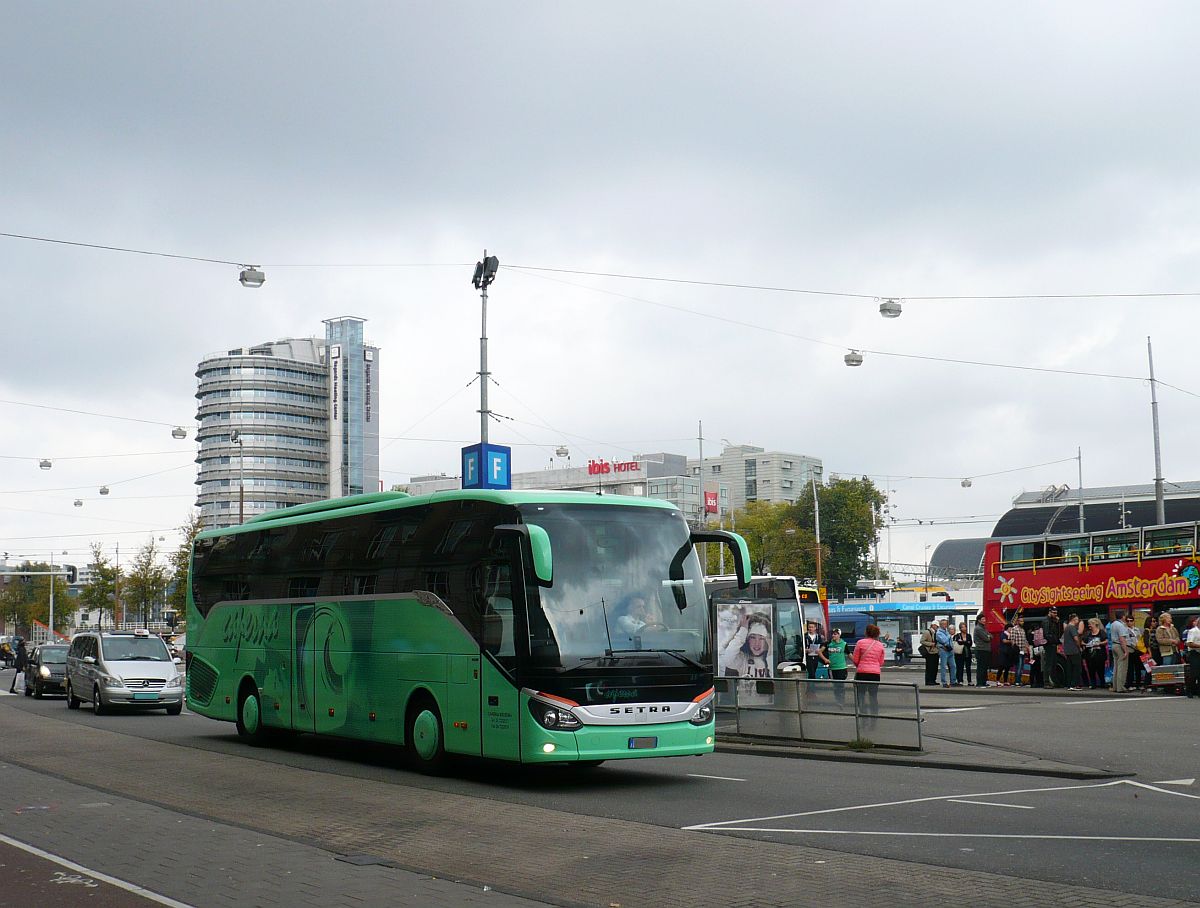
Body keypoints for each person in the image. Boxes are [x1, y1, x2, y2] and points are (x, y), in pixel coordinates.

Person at [720, 611, 772, 679]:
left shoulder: (770, 658)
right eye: (753, 637)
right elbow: (727, 660)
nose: (757, 643)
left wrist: (771, 649)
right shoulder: (743, 658)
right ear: (747, 639)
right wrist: (742, 631)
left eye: (761, 638)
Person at [851, 623, 886, 712]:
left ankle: (863, 714)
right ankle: (874, 715)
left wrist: (860, 665)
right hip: (875, 674)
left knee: (861, 694)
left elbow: (855, 659)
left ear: (866, 632)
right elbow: (881, 662)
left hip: (862, 673)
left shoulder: (860, 643)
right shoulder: (880, 645)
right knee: (873, 695)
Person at [1108, 611, 1130, 693]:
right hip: (1119, 646)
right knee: (1122, 667)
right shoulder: (1120, 625)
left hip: (1114, 645)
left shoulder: (1113, 624)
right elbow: (1122, 639)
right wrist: (1125, 650)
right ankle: (1121, 687)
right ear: (1123, 616)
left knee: (1116, 667)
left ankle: (1115, 686)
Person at [1083, 617, 1108, 689]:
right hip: (1090, 655)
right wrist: (1086, 644)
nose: (1089, 626)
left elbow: (1106, 641)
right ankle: (1093, 684)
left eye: (1090, 624)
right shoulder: (1087, 633)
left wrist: (1099, 643)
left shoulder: (1101, 632)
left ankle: (1102, 684)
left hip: (1100, 655)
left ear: (1095, 624)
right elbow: (1082, 641)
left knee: (1101, 670)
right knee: (1091, 670)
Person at [1062, 613, 1083, 691]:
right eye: (1077, 619)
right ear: (1073, 620)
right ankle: (1074, 685)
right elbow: (1076, 638)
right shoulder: (1072, 627)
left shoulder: (1067, 628)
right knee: (1076, 668)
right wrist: (1079, 647)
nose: (1078, 621)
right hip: (1074, 650)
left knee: (1069, 668)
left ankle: (1069, 685)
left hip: (1068, 651)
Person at [1008, 615, 1030, 687]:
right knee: (1019, 666)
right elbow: (1012, 640)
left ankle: (1019, 680)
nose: (1022, 622)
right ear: (1017, 622)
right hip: (1017, 651)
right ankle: (1017, 681)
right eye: (1020, 621)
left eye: (1023, 621)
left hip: (1023, 651)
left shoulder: (1023, 630)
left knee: (1022, 667)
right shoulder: (1014, 629)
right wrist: (1014, 649)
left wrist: (1027, 647)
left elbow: (1025, 640)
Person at [1042, 608, 1062, 688]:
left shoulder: (1053, 621)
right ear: (1049, 612)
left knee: (1054, 664)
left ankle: (1055, 682)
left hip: (1053, 644)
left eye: (1056, 613)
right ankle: (1046, 682)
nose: (1055, 614)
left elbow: (1059, 632)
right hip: (1049, 645)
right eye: (1054, 613)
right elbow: (1046, 635)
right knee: (1048, 665)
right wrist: (1055, 640)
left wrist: (1058, 623)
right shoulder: (1046, 621)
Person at [972, 613, 991, 687]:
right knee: (981, 667)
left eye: (984, 619)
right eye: (982, 619)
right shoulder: (978, 628)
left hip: (985, 650)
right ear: (979, 620)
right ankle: (979, 683)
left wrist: (988, 636)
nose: (984, 620)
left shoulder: (983, 628)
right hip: (981, 650)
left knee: (984, 667)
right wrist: (988, 636)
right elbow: (986, 638)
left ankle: (984, 682)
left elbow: (990, 636)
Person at [935, 618, 956, 688]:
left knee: (953, 666)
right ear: (940, 625)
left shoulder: (946, 631)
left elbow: (950, 641)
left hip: (950, 650)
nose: (945, 625)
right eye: (943, 624)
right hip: (943, 650)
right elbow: (944, 640)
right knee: (943, 666)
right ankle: (944, 682)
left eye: (946, 624)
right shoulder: (939, 633)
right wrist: (949, 635)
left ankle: (953, 681)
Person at [920, 622, 939, 687]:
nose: (937, 627)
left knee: (935, 667)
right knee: (929, 667)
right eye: (936, 626)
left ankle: (933, 680)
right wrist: (931, 644)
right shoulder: (927, 632)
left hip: (935, 652)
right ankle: (929, 681)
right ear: (933, 625)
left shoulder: (936, 632)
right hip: (929, 652)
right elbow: (922, 641)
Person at [1185, 616, 1200, 699]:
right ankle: (1189, 690)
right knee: (1194, 673)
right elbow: (1189, 643)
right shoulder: (1192, 631)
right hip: (1194, 653)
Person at [953, 621, 971, 686]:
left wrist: (963, 641)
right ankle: (960, 680)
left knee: (968, 668)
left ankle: (969, 681)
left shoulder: (969, 635)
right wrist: (966, 642)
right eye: (962, 627)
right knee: (960, 667)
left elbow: (970, 643)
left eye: (965, 627)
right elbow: (959, 642)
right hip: (959, 654)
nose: (964, 628)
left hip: (967, 653)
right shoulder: (957, 635)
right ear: (960, 628)